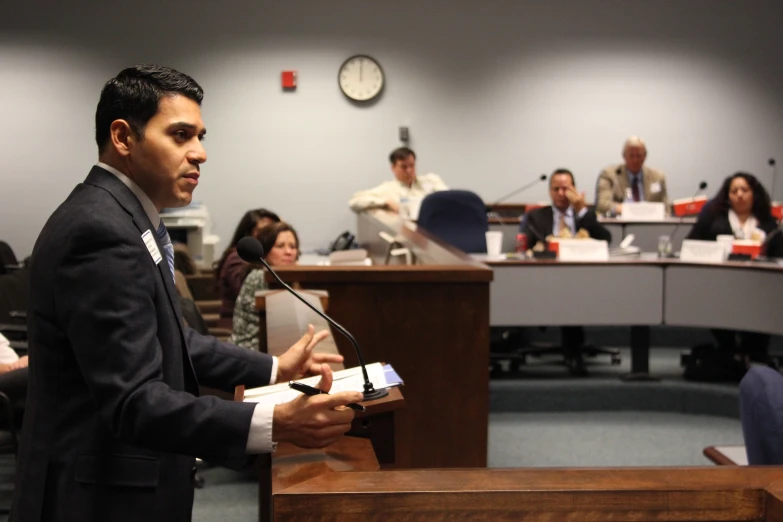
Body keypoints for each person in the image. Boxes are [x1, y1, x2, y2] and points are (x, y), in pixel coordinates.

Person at [12, 64, 362, 522]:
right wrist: (272, 422)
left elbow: (170, 336)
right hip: (96, 498)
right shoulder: (100, 231)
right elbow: (134, 400)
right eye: (180, 135)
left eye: (200, 136)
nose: (200, 154)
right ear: (123, 138)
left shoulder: (128, 218)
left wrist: (274, 366)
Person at [686, 172, 783, 367]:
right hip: (719, 287)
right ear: (727, 195)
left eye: (744, 190)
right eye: (734, 191)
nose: (739, 195)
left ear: (754, 194)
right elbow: (691, 245)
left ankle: (754, 356)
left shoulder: (769, 224)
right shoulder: (712, 219)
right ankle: (730, 355)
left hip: (759, 289)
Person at [521, 169, 612, 375]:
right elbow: (526, 245)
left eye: (566, 188)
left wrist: (581, 211)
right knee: (565, 290)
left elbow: (606, 240)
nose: (561, 193)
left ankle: (573, 351)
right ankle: (573, 352)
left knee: (572, 289)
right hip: (546, 278)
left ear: (575, 191)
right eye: (556, 189)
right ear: (549, 192)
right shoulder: (536, 216)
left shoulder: (585, 216)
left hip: (582, 278)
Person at [230, 222, 299, 350]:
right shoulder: (260, 277)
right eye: (280, 246)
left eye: (293, 246)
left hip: (271, 346)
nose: (289, 252)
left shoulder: (281, 276)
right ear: (266, 251)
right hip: (251, 349)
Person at [215, 208, 281, 327]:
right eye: (263, 230)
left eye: (273, 229)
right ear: (248, 233)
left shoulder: (264, 257)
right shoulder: (237, 258)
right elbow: (248, 292)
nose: (269, 234)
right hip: (238, 326)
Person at [348, 147, 448, 213]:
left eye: (412, 165)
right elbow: (354, 202)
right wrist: (385, 202)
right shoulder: (387, 189)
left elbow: (448, 200)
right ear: (393, 168)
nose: (409, 170)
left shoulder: (431, 180)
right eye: (404, 167)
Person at [595, 136, 669, 216]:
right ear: (624, 156)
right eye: (631, 156)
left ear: (645, 156)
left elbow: (666, 209)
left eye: (639, 156)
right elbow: (602, 204)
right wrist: (629, 210)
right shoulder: (610, 175)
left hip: (651, 224)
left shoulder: (657, 177)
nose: (635, 160)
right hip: (621, 223)